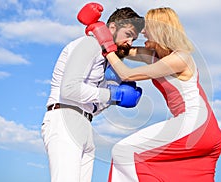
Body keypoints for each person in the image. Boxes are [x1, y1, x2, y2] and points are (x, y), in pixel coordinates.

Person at [86, 7, 221, 182]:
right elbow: (122, 50)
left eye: (147, 27)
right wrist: (102, 32)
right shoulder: (154, 55)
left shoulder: (180, 58)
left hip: (196, 123)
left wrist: (105, 45)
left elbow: (127, 74)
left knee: (124, 151)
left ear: (160, 30)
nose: (143, 31)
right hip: (201, 128)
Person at [41, 3, 144, 182]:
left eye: (133, 39)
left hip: (85, 123)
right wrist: (114, 95)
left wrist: (113, 99)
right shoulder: (90, 44)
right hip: (65, 119)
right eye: (128, 35)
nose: (129, 43)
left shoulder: (105, 58)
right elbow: (69, 90)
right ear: (112, 27)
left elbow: (92, 106)